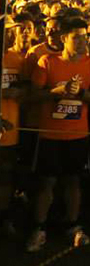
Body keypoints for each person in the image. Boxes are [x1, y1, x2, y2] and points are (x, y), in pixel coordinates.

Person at [27, 17, 90, 253]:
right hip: (49, 135)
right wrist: (56, 91)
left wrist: (80, 93)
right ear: (63, 39)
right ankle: (38, 228)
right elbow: (32, 95)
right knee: (46, 182)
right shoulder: (47, 62)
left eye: (85, 37)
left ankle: (73, 225)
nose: (82, 42)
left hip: (77, 135)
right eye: (76, 37)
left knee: (74, 181)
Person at [0, 14, 34, 235]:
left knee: (6, 175)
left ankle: (4, 218)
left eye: (12, 31)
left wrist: (19, 91)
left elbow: (27, 88)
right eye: (7, 31)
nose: (11, 35)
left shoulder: (17, 59)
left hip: (11, 128)